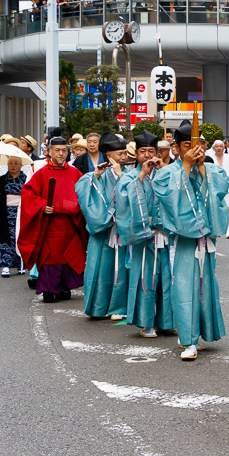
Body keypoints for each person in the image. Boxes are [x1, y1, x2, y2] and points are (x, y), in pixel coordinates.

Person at [151, 122, 229, 359]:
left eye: (199, 145)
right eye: (188, 146)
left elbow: (220, 189)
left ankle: (199, 332)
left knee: (206, 288)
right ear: (177, 148)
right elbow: (166, 194)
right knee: (185, 288)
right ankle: (188, 340)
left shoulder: (211, 169)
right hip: (184, 241)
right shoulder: (168, 172)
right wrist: (185, 165)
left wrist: (201, 169)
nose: (195, 150)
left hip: (205, 242)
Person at [116, 131, 174, 338]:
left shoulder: (164, 172)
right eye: (143, 152)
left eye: (151, 151)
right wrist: (141, 175)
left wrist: (165, 171)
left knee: (167, 278)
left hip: (164, 233)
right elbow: (122, 200)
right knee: (145, 278)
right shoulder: (130, 176)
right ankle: (145, 321)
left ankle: (166, 321)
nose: (147, 156)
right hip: (143, 234)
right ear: (136, 154)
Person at [18, 137, 87, 303]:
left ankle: (64, 287)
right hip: (50, 225)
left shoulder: (75, 173)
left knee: (68, 256)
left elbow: (85, 194)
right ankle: (48, 289)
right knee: (50, 257)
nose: (61, 153)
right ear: (49, 151)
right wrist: (42, 206)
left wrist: (74, 207)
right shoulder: (41, 173)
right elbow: (28, 194)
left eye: (64, 150)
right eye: (57, 150)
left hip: (70, 225)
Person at [75, 132, 131, 318]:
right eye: (120, 154)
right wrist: (96, 177)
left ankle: (119, 307)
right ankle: (99, 307)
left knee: (122, 269)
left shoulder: (129, 174)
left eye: (124, 153)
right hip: (105, 229)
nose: (124, 157)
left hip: (123, 229)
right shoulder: (96, 174)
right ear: (109, 156)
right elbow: (83, 190)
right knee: (101, 268)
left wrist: (121, 176)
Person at [0, 156, 28, 277]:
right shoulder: (1, 179)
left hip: (21, 212)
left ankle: (21, 264)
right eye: (10, 163)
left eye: (16, 163)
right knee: (6, 239)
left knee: (20, 238)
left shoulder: (26, 179)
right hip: (6, 213)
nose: (13, 165)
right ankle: (5, 265)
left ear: (21, 165)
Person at [211, 140, 229, 238]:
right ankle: (218, 229)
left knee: (228, 209)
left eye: (220, 146)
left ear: (224, 147)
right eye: (216, 146)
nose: (218, 148)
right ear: (213, 148)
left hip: (228, 187)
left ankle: (228, 230)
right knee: (216, 209)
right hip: (215, 188)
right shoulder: (211, 158)